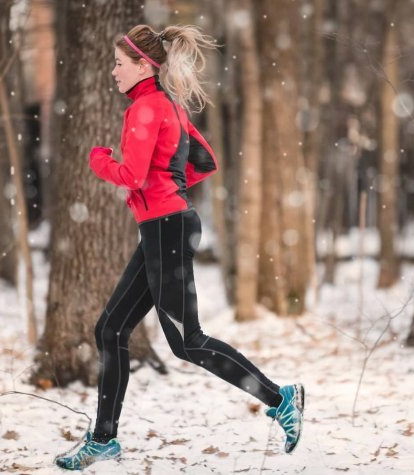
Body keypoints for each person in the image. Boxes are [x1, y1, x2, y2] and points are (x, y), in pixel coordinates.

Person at [54, 24, 305, 471]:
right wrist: (169, 188)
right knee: (110, 329)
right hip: (164, 227)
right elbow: (205, 161)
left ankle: (280, 398)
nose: (113, 72)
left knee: (187, 342)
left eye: (118, 63)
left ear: (142, 65)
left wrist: (99, 160)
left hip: (166, 228)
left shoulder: (147, 108)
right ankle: (103, 439)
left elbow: (130, 174)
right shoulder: (165, 105)